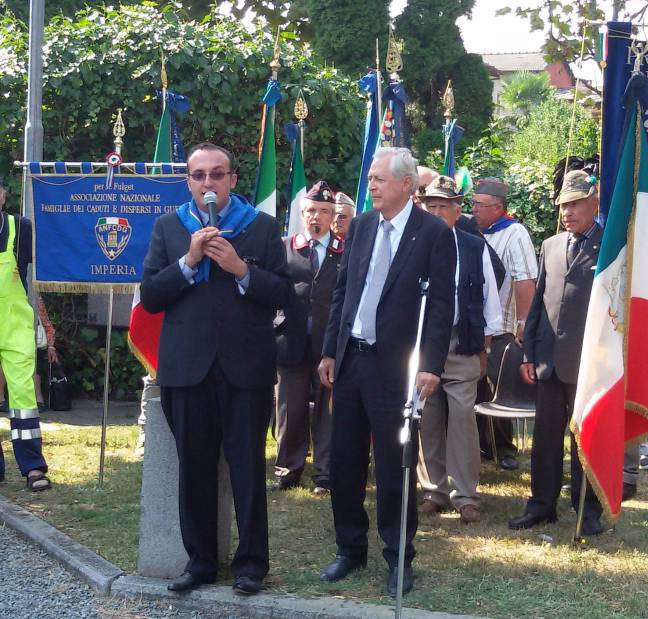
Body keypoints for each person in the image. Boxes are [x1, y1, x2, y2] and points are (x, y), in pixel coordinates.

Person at [140, 143, 289, 596]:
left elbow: (284, 294)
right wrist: (188, 262)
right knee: (196, 470)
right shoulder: (169, 228)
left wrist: (241, 269)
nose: (208, 183)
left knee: (246, 468)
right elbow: (150, 297)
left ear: (231, 181)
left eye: (217, 175)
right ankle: (201, 561)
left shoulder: (261, 228)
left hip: (246, 369)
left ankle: (250, 565)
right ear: (189, 181)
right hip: (187, 370)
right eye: (199, 175)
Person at [317, 147, 454, 596]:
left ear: (406, 185)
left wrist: (431, 364)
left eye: (378, 178)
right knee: (344, 460)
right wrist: (330, 351)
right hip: (352, 359)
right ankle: (348, 548)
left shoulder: (433, 233)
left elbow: (440, 307)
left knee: (394, 464)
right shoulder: (359, 226)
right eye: (370, 178)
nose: (370, 185)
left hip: (396, 367)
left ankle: (398, 557)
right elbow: (343, 293)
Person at [509, 170, 604, 536]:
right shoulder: (550, 245)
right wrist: (529, 354)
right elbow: (537, 307)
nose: (567, 211)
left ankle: (587, 507)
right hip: (548, 360)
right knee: (546, 437)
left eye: (576, 203)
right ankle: (541, 504)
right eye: (564, 205)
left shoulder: (609, 247)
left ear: (594, 204)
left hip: (588, 361)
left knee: (585, 438)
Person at [416, 175, 502, 524]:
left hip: (462, 339)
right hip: (423, 344)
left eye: (443, 207)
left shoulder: (474, 245)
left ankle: (465, 494)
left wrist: (487, 342)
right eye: (430, 206)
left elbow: (489, 297)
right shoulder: (413, 244)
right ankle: (433, 490)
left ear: (456, 211)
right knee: (428, 416)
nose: (436, 212)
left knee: (463, 417)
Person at [270, 181, 345, 495]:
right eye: (312, 210)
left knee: (329, 411)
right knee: (291, 408)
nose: (317, 217)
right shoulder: (284, 247)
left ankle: (326, 474)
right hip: (292, 340)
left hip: (330, 345)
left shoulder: (345, 250)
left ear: (332, 217)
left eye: (325, 212)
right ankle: (288, 470)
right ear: (302, 213)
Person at [471, 178, 538, 470]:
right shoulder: (471, 231)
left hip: (504, 328)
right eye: (472, 204)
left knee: (500, 388)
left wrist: (524, 322)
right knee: (473, 388)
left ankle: (504, 448)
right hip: (476, 326)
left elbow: (525, 280)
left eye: (479, 205)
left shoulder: (515, 233)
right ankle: (479, 445)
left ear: (499, 207)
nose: (473, 210)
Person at [0, 179, 51, 492]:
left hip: (14, 325)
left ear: (4, 194)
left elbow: (36, 274)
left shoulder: (21, 228)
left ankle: (32, 467)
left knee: (23, 397)